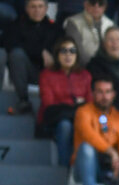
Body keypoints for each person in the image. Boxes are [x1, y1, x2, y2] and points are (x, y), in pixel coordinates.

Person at [37, 36, 91, 166]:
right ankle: (64, 170)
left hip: (79, 118)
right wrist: (76, 104)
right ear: (57, 54)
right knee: (66, 125)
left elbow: (90, 104)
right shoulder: (47, 74)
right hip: (53, 121)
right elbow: (49, 105)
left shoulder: (84, 75)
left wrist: (72, 105)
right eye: (64, 51)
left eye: (72, 51)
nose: (68, 55)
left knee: (92, 124)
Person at [1, 0, 60, 115]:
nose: (37, 10)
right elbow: (8, 43)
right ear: (26, 9)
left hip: (49, 73)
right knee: (16, 54)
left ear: (46, 8)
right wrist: (40, 51)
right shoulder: (16, 25)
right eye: (33, 7)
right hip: (25, 73)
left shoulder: (54, 28)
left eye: (40, 6)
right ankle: (23, 101)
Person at [63, 0, 115, 65]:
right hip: (83, 68)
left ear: (105, 7)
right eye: (92, 2)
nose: (96, 6)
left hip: (108, 68)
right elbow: (77, 51)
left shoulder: (110, 24)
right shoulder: (73, 22)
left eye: (101, 3)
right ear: (85, 4)